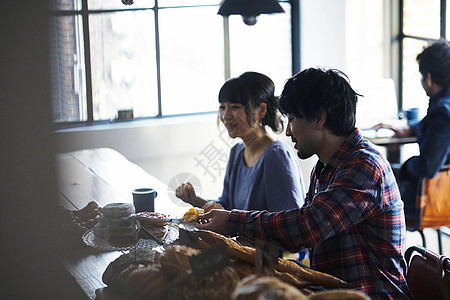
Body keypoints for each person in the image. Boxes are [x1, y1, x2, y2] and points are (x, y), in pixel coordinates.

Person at [196, 68, 412, 299]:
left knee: (204, 277)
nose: (288, 131)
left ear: (319, 119)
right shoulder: (324, 167)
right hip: (325, 290)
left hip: (367, 294)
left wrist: (230, 221)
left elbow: (304, 228)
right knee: (192, 271)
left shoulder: (364, 166)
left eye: (291, 119)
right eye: (223, 107)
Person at [176, 71, 305, 213]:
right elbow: (227, 207)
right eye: (222, 107)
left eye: (235, 107)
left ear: (261, 110)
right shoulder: (237, 152)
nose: (225, 116)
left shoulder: (276, 155)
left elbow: (288, 221)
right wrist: (195, 200)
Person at [374, 40, 450, 225]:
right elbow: (429, 126)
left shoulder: (442, 112)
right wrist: (410, 128)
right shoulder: (444, 103)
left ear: (429, 78)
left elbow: (428, 166)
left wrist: (402, 169)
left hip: (429, 200)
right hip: (441, 195)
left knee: (373, 184)